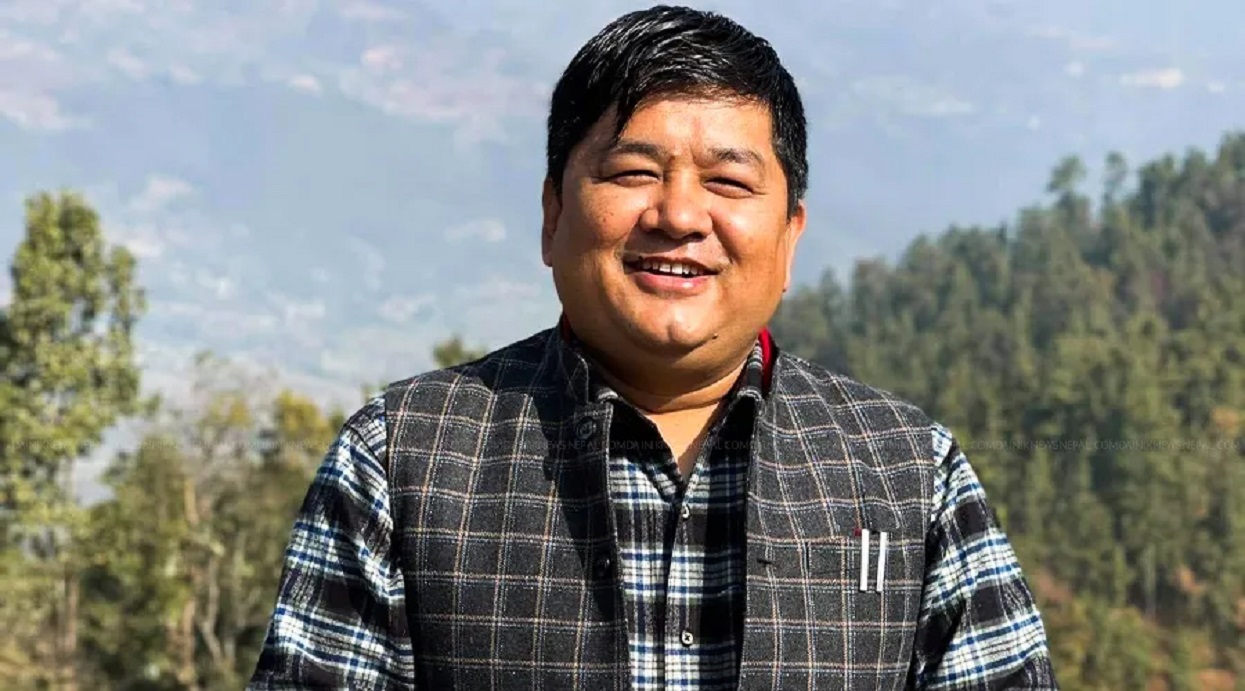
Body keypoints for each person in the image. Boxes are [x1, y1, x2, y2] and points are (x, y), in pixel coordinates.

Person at [247, 5, 1058, 690]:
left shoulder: (907, 472)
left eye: (728, 182)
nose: (678, 215)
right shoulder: (402, 458)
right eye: (633, 172)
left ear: (789, 238)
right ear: (551, 215)